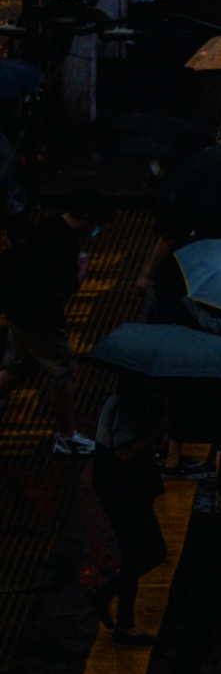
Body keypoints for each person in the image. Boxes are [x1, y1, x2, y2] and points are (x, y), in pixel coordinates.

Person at [0, 198, 99, 454]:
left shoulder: (48, 224)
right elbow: (66, 289)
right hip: (40, 317)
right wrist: (83, 269)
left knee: (19, 366)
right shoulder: (64, 243)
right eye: (95, 223)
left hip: (16, 307)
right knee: (63, 370)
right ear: (86, 217)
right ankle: (67, 437)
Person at [91, 377, 168, 642]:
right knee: (144, 552)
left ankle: (109, 596)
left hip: (121, 490)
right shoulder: (125, 409)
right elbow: (124, 452)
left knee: (141, 553)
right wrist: (155, 432)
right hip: (123, 492)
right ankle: (124, 622)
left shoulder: (118, 403)